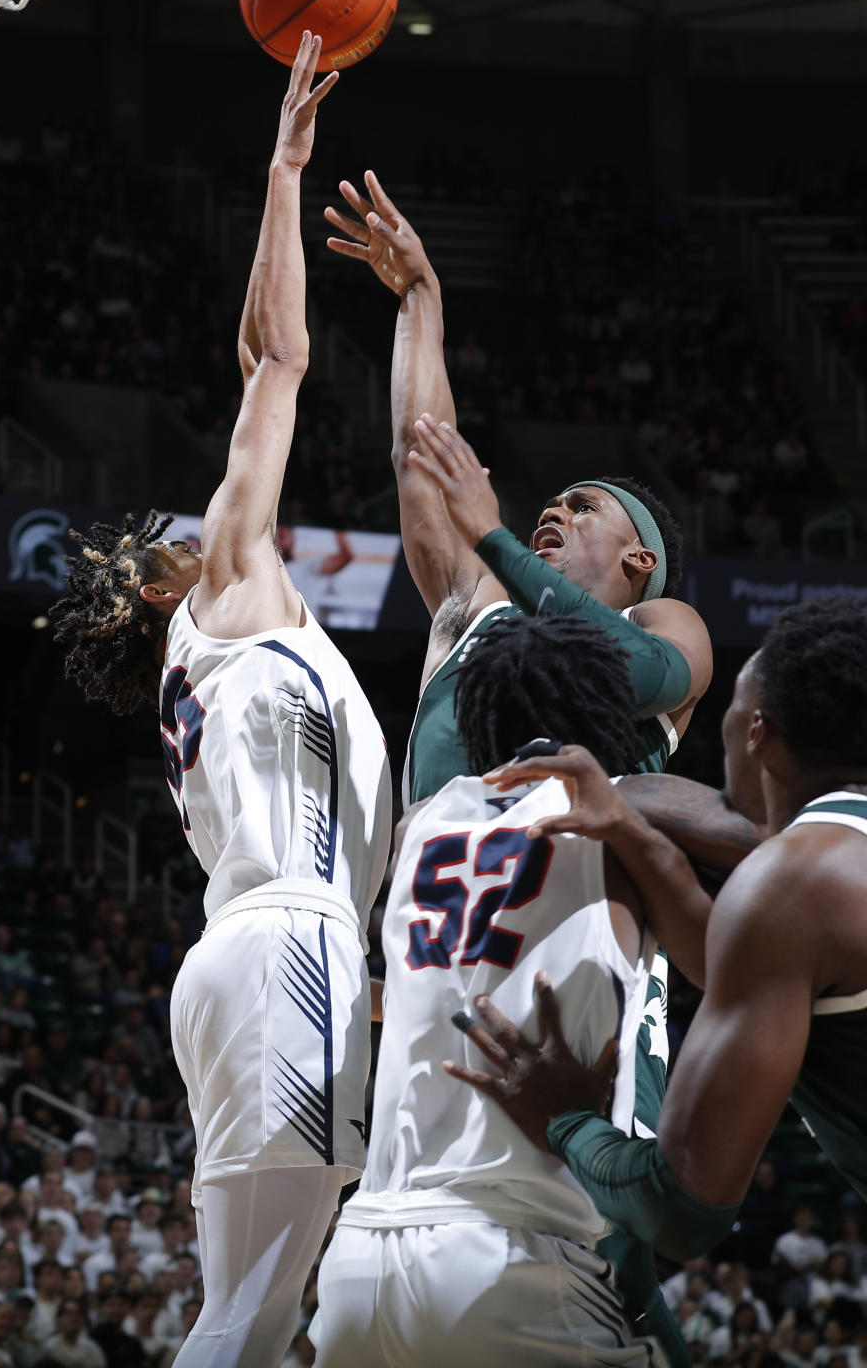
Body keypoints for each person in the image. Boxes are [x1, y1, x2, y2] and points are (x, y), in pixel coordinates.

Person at [325, 172, 714, 1361]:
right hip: (470, 1040)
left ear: (638, 556)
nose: (551, 509)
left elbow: (651, 688)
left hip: (546, 965)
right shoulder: (481, 608)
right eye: (542, 504)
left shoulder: (664, 628)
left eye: (581, 506)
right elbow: (423, 455)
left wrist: (494, 529)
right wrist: (421, 304)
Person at [50, 34, 392, 1368]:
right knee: (255, 1322)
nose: (181, 523)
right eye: (156, 535)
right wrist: (281, 177)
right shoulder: (225, 592)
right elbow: (275, 361)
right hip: (284, 949)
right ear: (150, 597)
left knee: (254, 1307)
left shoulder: (214, 651)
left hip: (255, 960)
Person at [443, 597, 867, 1268]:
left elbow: (680, 1212)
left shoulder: (798, 882)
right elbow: (736, 959)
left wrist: (567, 1117)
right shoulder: (823, 878)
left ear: (756, 730)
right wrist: (635, 835)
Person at [312, 613, 685, 1367]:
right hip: (513, 1250)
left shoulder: (423, 825)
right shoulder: (625, 814)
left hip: (362, 1262)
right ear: (609, 709)